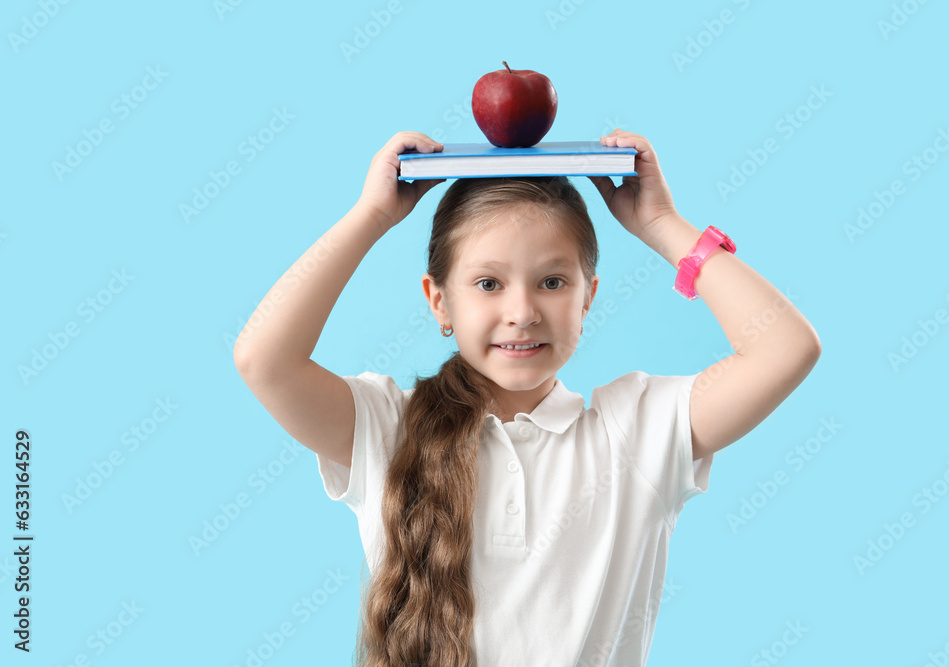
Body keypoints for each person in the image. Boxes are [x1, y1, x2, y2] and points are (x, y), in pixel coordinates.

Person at [233, 129, 821, 666]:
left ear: (587, 298)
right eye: (488, 284)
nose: (522, 312)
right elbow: (264, 360)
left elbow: (786, 348)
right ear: (439, 302)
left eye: (552, 281)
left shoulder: (637, 431)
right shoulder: (390, 428)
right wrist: (369, 216)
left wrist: (662, 224)